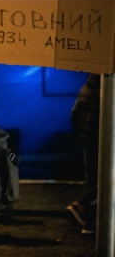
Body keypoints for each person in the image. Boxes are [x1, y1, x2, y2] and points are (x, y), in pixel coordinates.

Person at [67, 73, 100, 234]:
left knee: (93, 177)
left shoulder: (88, 86)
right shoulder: (107, 89)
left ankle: (90, 219)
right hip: (101, 138)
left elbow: (74, 114)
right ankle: (82, 205)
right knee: (105, 180)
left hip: (86, 136)